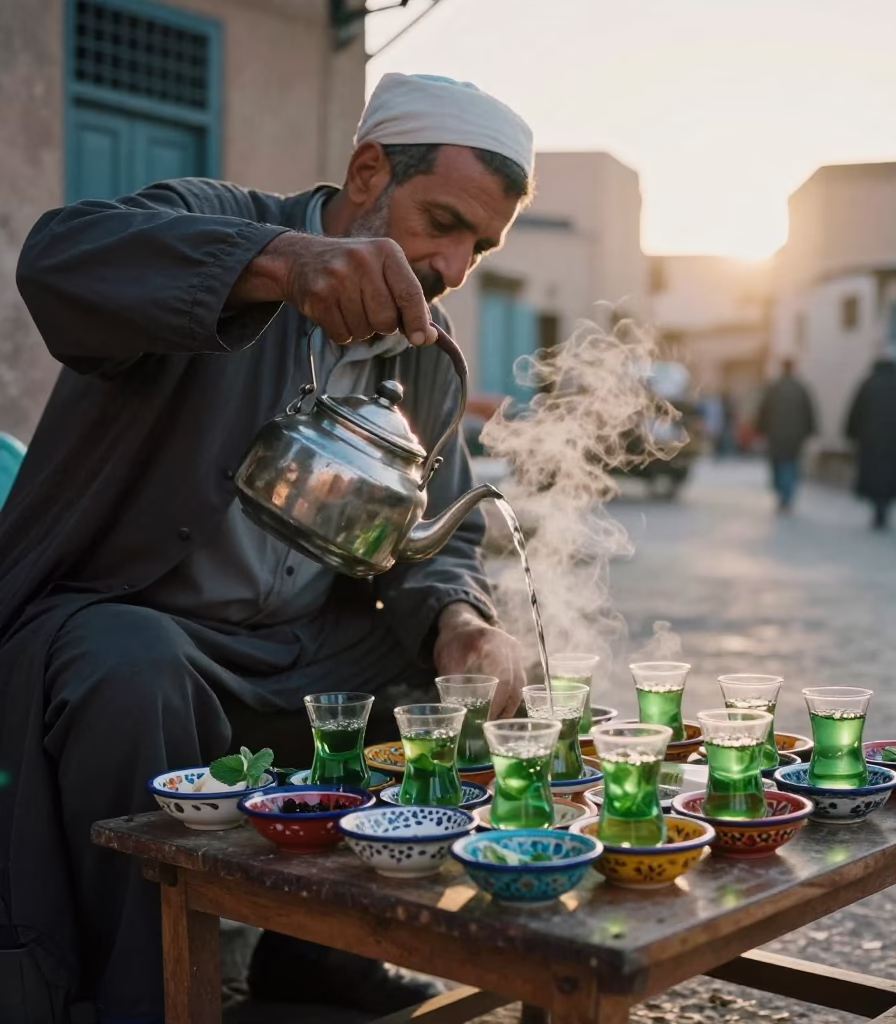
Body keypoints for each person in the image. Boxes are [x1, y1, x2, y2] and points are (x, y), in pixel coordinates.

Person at [0, 73, 534, 1023]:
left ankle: (323, 949)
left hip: (295, 647)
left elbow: (436, 538)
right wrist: (283, 265)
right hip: (136, 620)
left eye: (478, 246)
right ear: (367, 171)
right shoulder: (219, 220)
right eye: (441, 220)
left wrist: (462, 623)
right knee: (139, 667)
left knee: (441, 698)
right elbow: (57, 259)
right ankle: (144, 995)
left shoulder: (426, 351)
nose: (452, 264)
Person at [845, 344, 896, 530]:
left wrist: (851, 434)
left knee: (874, 475)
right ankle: (883, 509)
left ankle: (878, 509)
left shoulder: (868, 384)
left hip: (870, 441)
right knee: (889, 476)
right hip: (894, 442)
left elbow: (855, 413)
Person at [755, 357, 817, 512]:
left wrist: (761, 429)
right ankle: (787, 495)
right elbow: (809, 413)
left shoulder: (774, 388)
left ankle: (783, 493)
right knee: (790, 464)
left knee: (778, 464)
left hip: (776, 435)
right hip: (795, 436)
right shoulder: (801, 389)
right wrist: (809, 431)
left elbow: (763, 412)